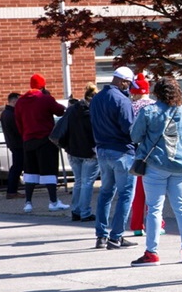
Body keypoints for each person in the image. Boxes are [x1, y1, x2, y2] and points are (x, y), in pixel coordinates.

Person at [129, 76, 182, 267]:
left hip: (155, 165)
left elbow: (135, 136)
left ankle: (152, 253)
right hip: (181, 166)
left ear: (156, 92)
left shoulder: (148, 111)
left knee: (154, 209)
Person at [90, 66, 139, 250]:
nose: (129, 87)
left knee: (105, 193)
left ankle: (101, 236)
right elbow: (130, 130)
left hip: (102, 151)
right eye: (128, 83)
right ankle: (116, 236)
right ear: (123, 81)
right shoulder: (122, 100)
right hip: (121, 152)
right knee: (125, 194)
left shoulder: (96, 99)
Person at [14, 74, 68, 213]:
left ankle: (28, 203)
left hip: (28, 140)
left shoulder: (20, 102)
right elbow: (60, 111)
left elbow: (18, 123)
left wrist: (25, 135)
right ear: (43, 86)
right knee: (49, 171)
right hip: (45, 140)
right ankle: (53, 202)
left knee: (30, 173)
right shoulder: (45, 99)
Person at [62, 83, 99, 222]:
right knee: (87, 183)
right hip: (90, 152)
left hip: (73, 150)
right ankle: (85, 212)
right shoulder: (95, 113)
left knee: (78, 182)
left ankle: (76, 211)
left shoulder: (73, 110)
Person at [128, 74, 157, 237]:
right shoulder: (156, 106)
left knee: (138, 192)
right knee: (155, 192)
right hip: (156, 154)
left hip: (137, 154)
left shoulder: (130, 107)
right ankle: (157, 224)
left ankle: (137, 225)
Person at [0, 92, 24, 199]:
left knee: (17, 167)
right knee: (17, 167)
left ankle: (12, 190)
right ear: (14, 101)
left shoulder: (6, 113)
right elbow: (17, 129)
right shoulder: (10, 114)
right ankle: (12, 191)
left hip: (14, 143)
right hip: (17, 144)